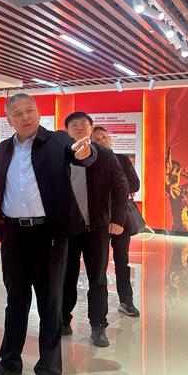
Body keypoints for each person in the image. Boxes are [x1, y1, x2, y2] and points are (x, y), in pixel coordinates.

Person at [0, 94, 96, 375]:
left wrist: (86, 151)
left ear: (39, 112)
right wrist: (0, 224)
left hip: (48, 235)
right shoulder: (2, 149)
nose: (25, 117)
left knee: (49, 304)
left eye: (30, 111)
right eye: (18, 113)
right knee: (15, 301)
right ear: (9, 120)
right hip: (13, 234)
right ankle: (9, 361)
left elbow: (81, 155)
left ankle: (48, 371)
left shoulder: (57, 141)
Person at [62, 112, 129, 348]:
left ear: (91, 129)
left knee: (98, 278)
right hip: (68, 228)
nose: (79, 127)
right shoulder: (60, 154)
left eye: (84, 124)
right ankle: (63, 320)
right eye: (74, 124)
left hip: (97, 228)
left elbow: (121, 187)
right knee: (66, 276)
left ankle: (98, 325)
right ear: (66, 130)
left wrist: (118, 219)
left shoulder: (105, 155)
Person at [91, 126, 141, 317]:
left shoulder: (121, 159)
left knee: (122, 261)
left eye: (104, 137)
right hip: (98, 219)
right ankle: (99, 308)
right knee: (99, 263)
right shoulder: (88, 162)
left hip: (121, 217)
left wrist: (117, 184)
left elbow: (134, 184)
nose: (102, 141)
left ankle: (126, 301)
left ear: (110, 140)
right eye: (97, 139)